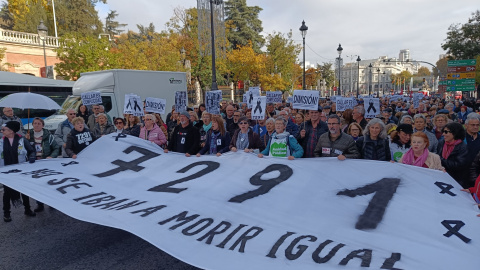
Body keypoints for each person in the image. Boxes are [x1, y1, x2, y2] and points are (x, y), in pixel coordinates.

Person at [1, 121, 36, 222]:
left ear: (11, 131)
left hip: (21, 171)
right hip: (6, 172)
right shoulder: (1, 141)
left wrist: (32, 157)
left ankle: (28, 209)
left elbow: (31, 151)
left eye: (4, 130)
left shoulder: (22, 140)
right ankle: (6, 213)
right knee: (7, 193)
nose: (2, 131)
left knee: (24, 191)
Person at [25, 117, 60, 212]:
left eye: (38, 123)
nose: (36, 125)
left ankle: (52, 202)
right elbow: (24, 150)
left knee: (49, 183)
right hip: (34, 164)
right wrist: (26, 140)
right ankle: (39, 204)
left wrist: (51, 157)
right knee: (38, 185)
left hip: (46, 163)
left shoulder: (49, 136)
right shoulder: (28, 135)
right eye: (35, 123)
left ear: (43, 125)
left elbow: (56, 148)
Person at [436, 122, 469, 188]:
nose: (443, 134)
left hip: (456, 180)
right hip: (441, 177)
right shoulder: (441, 143)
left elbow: (458, 165)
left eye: (446, 132)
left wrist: (440, 160)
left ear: (455, 133)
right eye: (443, 132)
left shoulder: (463, 147)